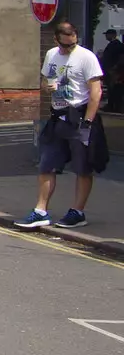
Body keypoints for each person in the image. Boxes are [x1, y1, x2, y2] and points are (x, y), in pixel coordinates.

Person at [18, 20, 106, 230]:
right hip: (57, 117)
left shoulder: (86, 57)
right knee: (47, 164)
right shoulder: (51, 55)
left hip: (79, 116)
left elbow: (96, 92)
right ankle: (40, 211)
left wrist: (87, 123)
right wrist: (47, 88)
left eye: (73, 43)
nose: (69, 48)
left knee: (82, 168)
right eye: (65, 45)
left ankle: (77, 211)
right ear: (56, 39)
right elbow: (44, 82)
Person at [100, 29, 123, 113]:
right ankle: (111, 105)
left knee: (114, 89)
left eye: (107, 34)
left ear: (112, 35)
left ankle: (114, 106)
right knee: (111, 89)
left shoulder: (117, 45)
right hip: (109, 70)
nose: (106, 36)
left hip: (114, 71)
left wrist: (115, 68)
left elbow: (120, 58)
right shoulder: (111, 45)